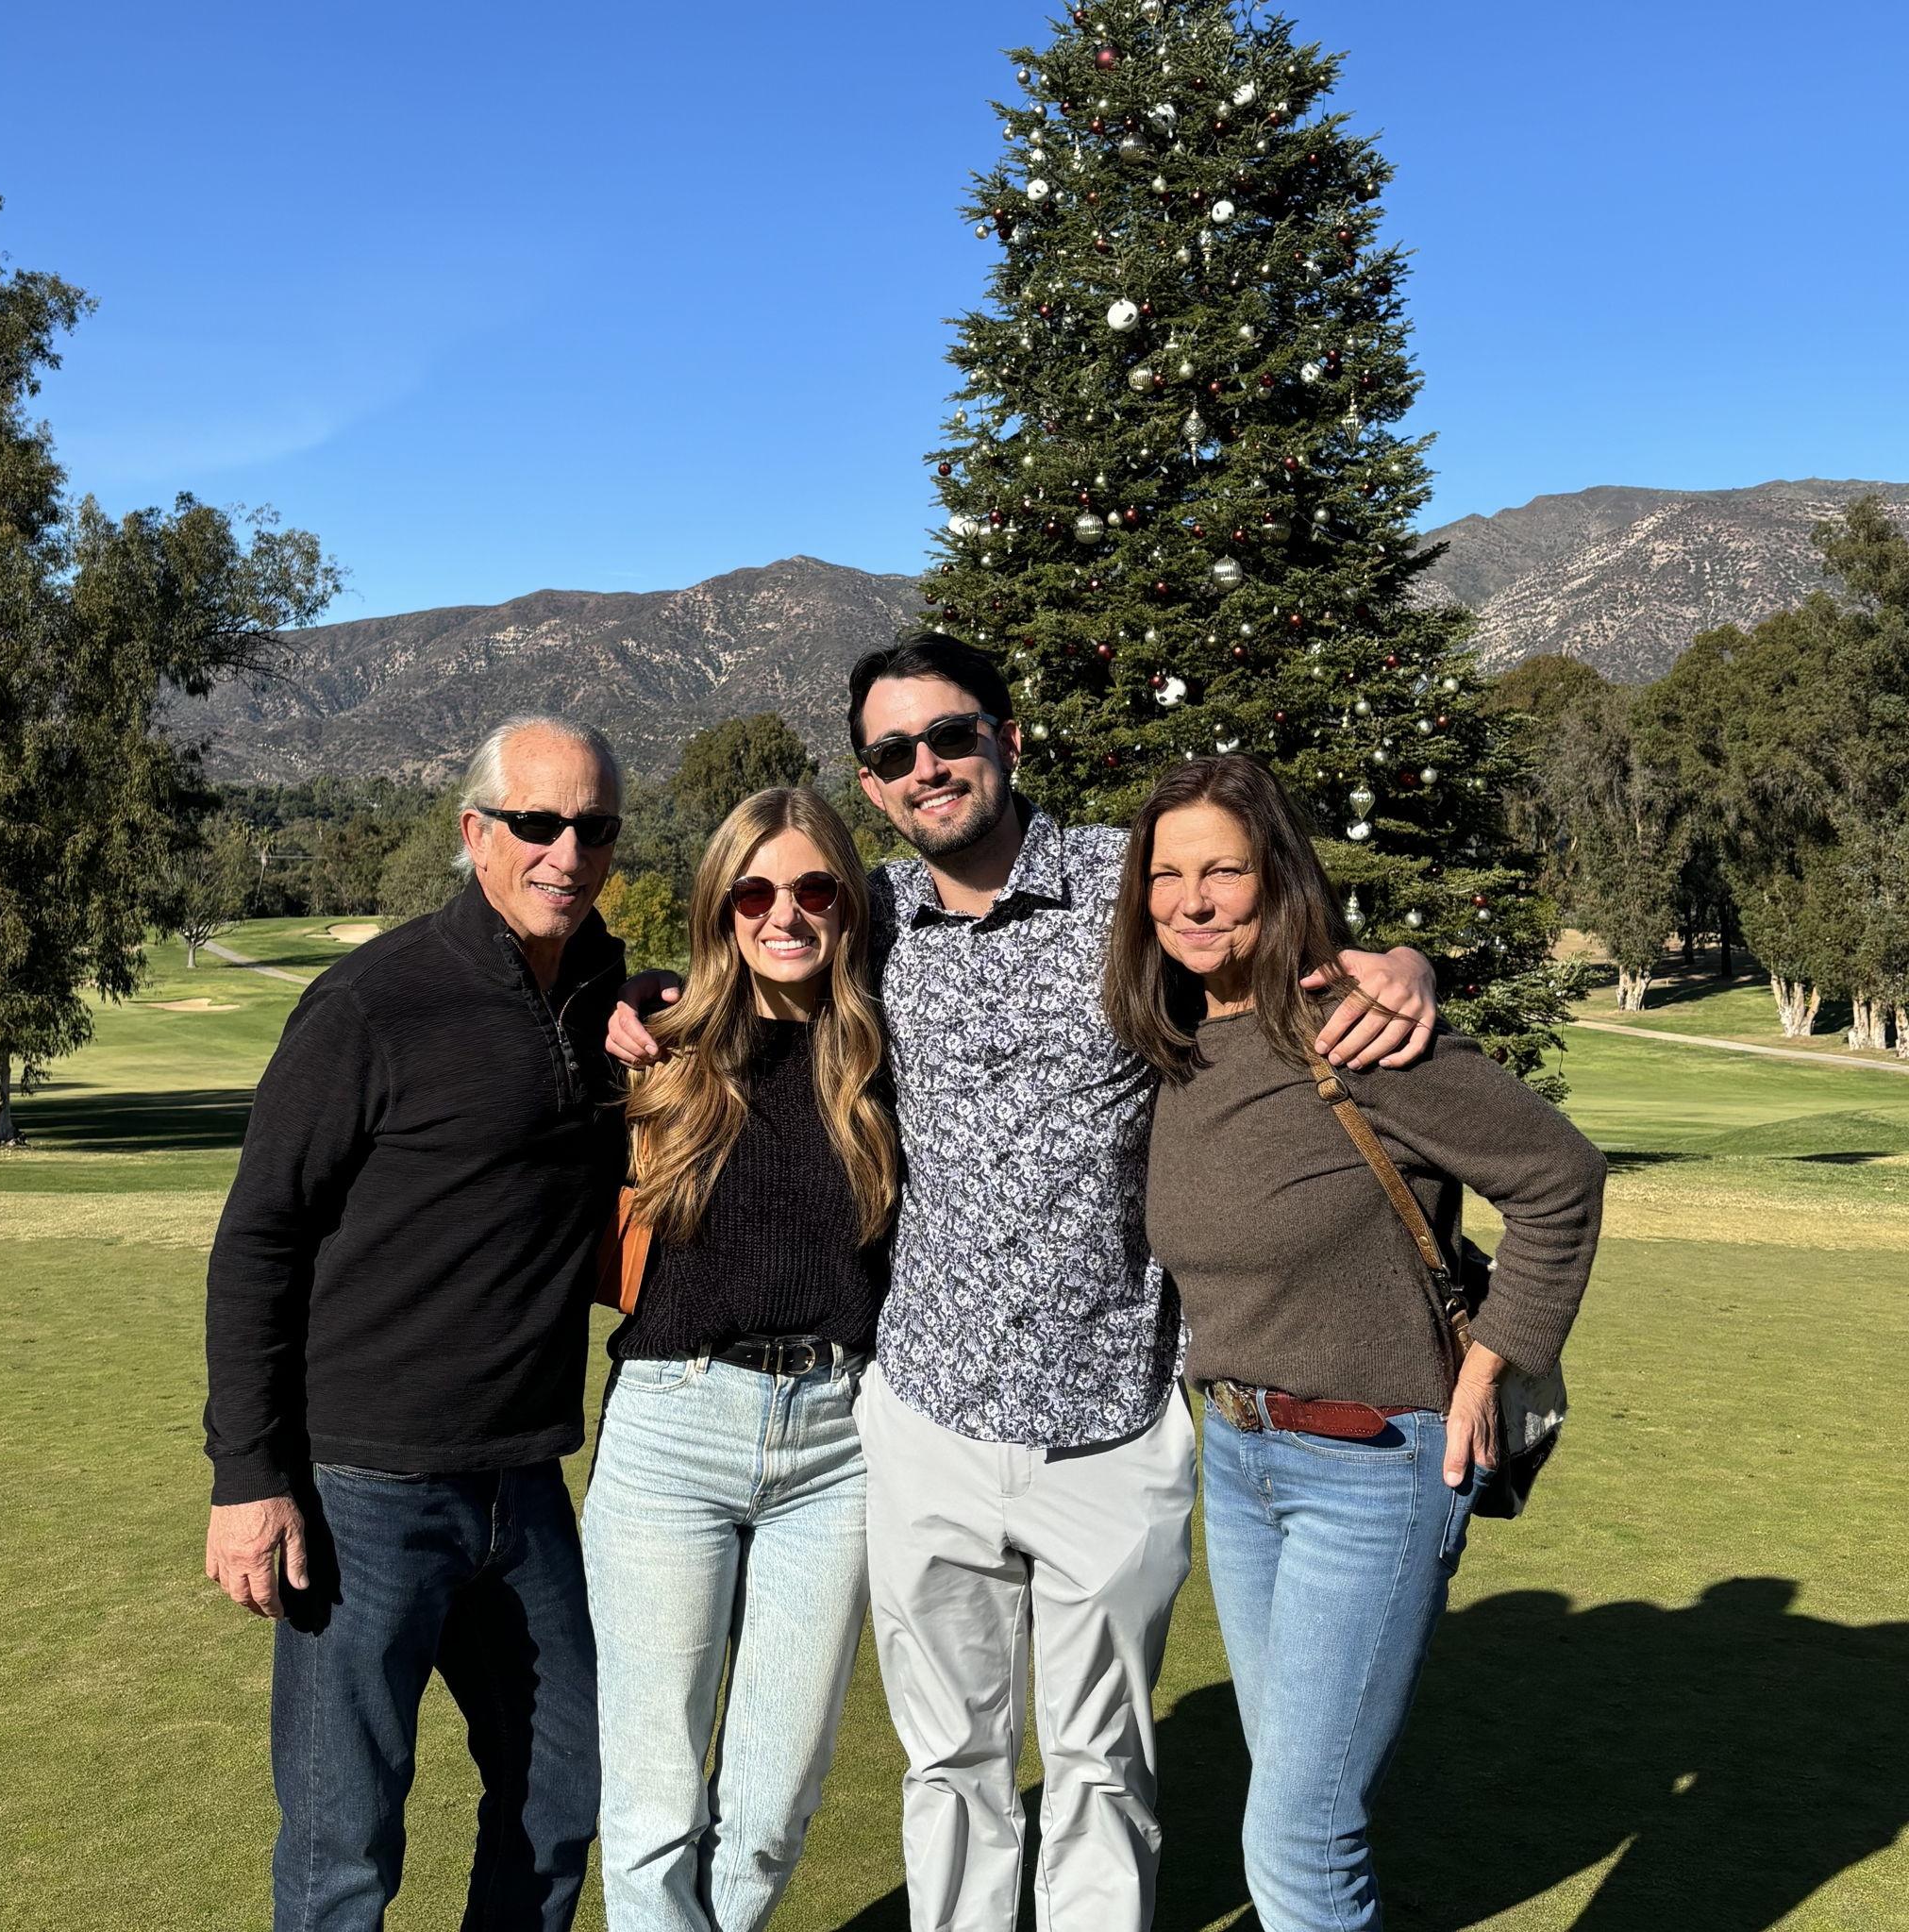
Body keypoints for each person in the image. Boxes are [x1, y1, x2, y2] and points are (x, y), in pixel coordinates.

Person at [608, 634, 1441, 1932]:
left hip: (1111, 1421)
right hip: (923, 1416)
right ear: (870, 781)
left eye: (950, 735)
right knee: (951, 1763)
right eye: (893, 752)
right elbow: (749, 951)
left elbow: (1260, 936)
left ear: (1006, 735)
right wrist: (636, 991)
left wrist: (1398, 962)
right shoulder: (867, 910)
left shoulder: (1125, 882)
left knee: (1102, 1766)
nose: (926, 766)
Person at [1103, 754, 1607, 1932]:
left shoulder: (1358, 1030)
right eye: (1165, 875)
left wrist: (1491, 1358)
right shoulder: (1176, 1043)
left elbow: (1558, 1177)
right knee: (1294, 1798)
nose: (1191, 900)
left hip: (1376, 1468)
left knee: (1298, 1836)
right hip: (1239, 1464)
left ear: (1278, 876)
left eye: (1224, 869)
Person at [203, 715, 628, 1932]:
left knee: (561, 1789)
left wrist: (650, 1001)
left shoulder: (600, 991)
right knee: (342, 1844)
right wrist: (248, 1477)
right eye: (536, 823)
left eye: (592, 827)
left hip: (524, 1484)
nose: (566, 852)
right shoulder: (371, 1002)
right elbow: (259, 1241)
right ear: (475, 832)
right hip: (364, 1489)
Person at [580, 786, 898, 1932]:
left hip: (837, 1445)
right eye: (753, 892)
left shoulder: (884, 1054)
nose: (783, 914)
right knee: (655, 1805)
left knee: (769, 1808)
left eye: (812, 888)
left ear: (847, 901)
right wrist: (625, 995)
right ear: (720, 907)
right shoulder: (661, 1049)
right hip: (673, 1430)